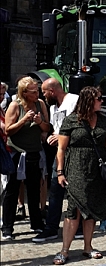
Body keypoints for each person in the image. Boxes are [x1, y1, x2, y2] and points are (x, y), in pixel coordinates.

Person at [53, 86, 106, 265]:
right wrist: (60, 172)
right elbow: (61, 149)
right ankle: (64, 250)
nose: (101, 101)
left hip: (97, 169)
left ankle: (88, 247)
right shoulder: (71, 120)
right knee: (74, 208)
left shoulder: (103, 120)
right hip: (76, 168)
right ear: (88, 101)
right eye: (98, 99)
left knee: (91, 209)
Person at [32, 79, 81, 242]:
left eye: (44, 92)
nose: (43, 96)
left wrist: (59, 137)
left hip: (75, 153)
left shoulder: (74, 100)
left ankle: (78, 226)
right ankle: (52, 228)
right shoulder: (53, 107)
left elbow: (81, 127)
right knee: (55, 190)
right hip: (60, 153)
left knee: (75, 191)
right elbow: (55, 128)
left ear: (52, 91)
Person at [1, 77, 49, 240]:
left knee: (34, 190)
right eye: (34, 91)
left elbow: (47, 127)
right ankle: (8, 227)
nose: (37, 94)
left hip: (34, 152)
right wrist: (23, 120)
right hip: (17, 153)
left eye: (38, 90)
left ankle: (36, 223)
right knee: (12, 191)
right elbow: (8, 130)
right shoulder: (15, 106)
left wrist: (39, 121)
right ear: (24, 93)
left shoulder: (41, 105)